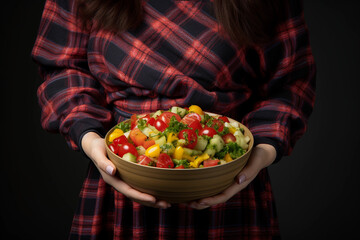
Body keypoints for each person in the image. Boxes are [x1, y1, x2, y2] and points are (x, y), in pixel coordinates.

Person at [32, 0, 316, 239]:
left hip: (228, 186)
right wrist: (92, 140)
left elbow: (291, 83)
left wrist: (261, 154)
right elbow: (62, 65)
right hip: (121, 180)